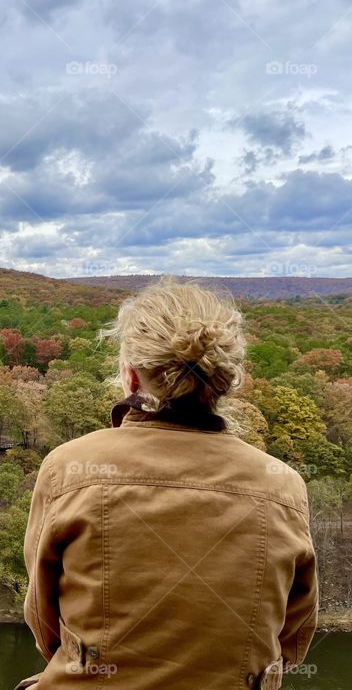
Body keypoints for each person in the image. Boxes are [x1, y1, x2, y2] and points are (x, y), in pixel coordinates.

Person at [16, 280, 317, 690]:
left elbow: (44, 622)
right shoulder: (283, 485)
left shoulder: (69, 469)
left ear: (131, 377)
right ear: (228, 380)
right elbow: (293, 636)